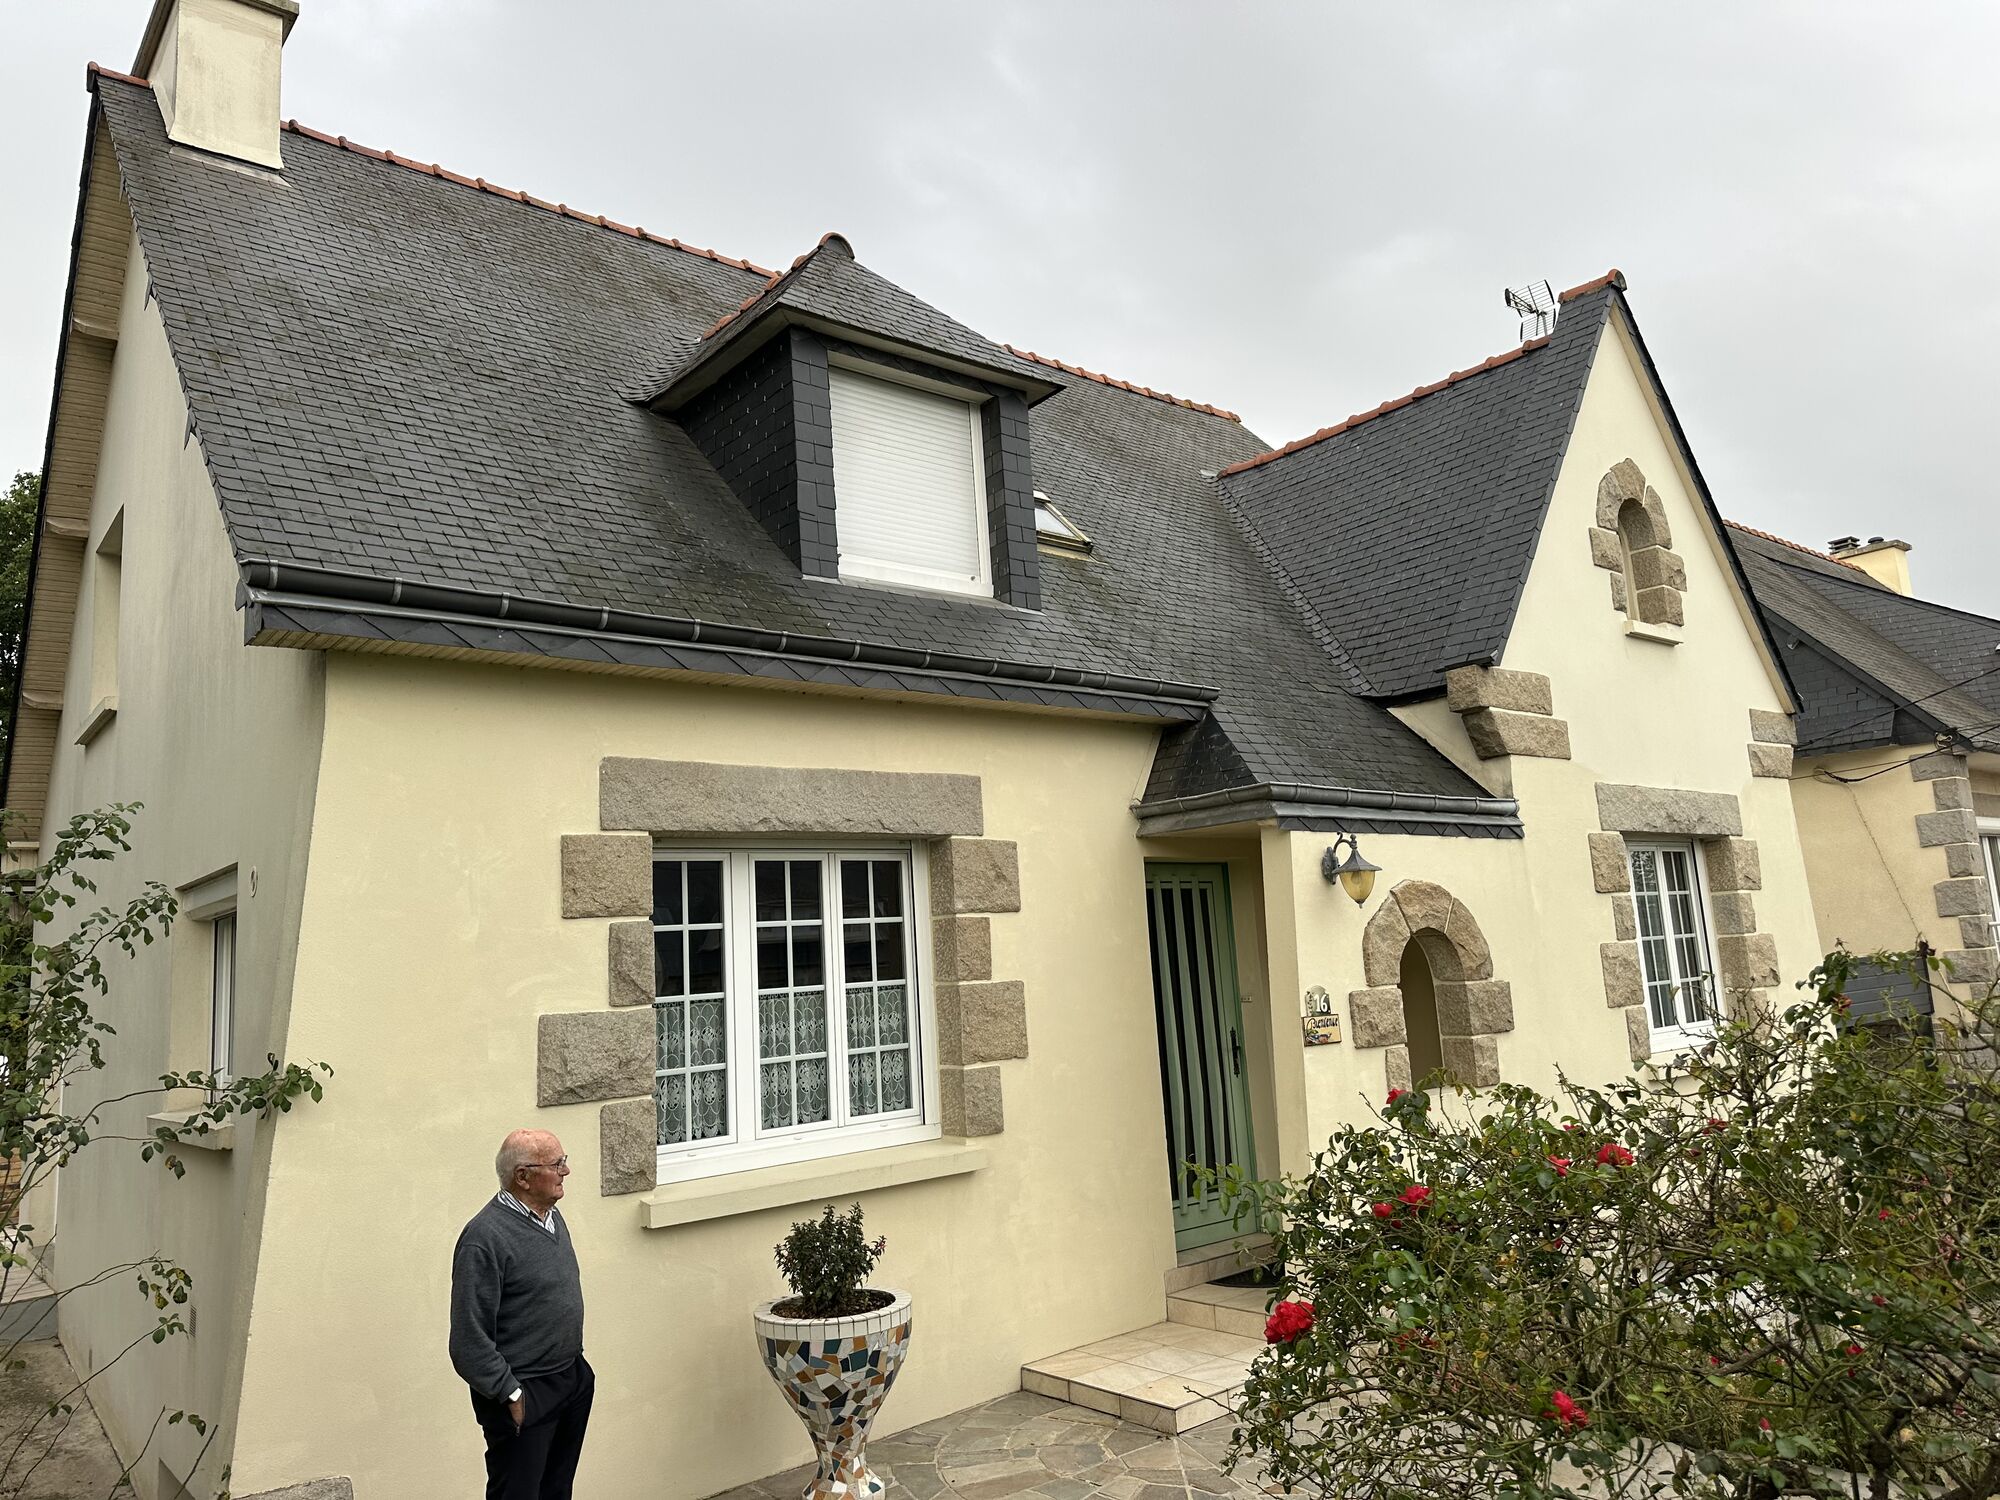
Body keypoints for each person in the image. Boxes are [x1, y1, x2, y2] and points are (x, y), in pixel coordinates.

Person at [450, 1128, 594, 1498]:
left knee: (556, 1491)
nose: (566, 1171)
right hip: (525, 1389)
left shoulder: (551, 1217)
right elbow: (468, 1341)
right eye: (556, 1164)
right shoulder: (484, 1239)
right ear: (523, 1177)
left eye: (564, 1161)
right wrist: (511, 1394)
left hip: (570, 1377)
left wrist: (580, 1376)